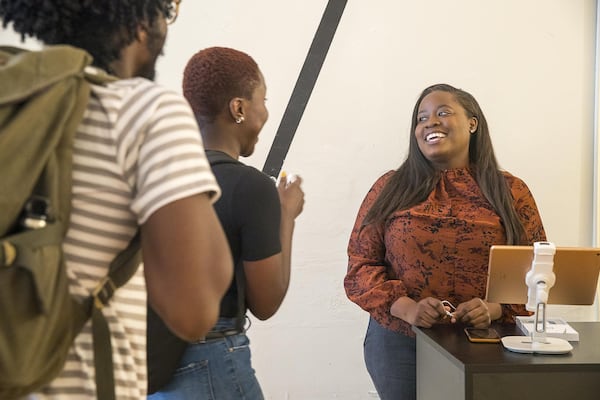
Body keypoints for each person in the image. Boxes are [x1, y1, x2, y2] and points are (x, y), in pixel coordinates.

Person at [0, 1, 233, 398]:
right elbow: (193, 313)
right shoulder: (144, 109)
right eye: (168, 10)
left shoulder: (12, 105)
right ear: (141, 23)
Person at [344, 83, 546, 400]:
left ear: (472, 123)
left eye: (442, 113)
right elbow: (360, 267)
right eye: (421, 118)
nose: (430, 123)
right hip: (401, 342)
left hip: (486, 340)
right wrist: (407, 308)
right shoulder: (390, 187)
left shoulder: (511, 190)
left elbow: (537, 270)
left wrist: (494, 309)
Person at [147, 46, 305, 399]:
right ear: (239, 108)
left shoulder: (155, 174)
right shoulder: (250, 187)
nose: (265, 111)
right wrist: (286, 216)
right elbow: (266, 303)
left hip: (153, 361)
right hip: (211, 360)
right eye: (262, 99)